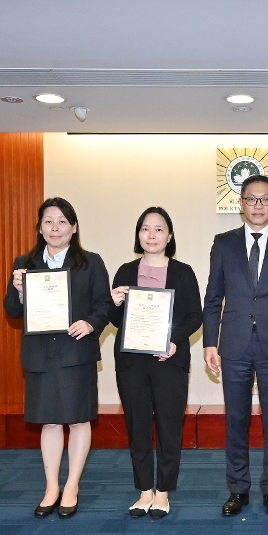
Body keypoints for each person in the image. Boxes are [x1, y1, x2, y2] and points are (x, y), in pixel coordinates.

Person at [203, 174, 268, 518]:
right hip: (233, 345)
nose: (258, 205)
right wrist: (209, 342)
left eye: (265, 199)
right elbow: (213, 297)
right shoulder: (223, 243)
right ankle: (238, 489)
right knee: (236, 420)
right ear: (241, 203)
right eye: (251, 199)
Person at [6, 197, 111, 520]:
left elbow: (105, 304)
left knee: (78, 420)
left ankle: (72, 486)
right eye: (48, 221)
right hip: (40, 355)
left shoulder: (91, 262)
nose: (55, 228)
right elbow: (12, 311)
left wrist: (90, 323)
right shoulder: (24, 264)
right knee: (49, 421)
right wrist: (20, 291)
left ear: (74, 227)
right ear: (39, 227)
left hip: (76, 353)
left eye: (62, 221)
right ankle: (51, 487)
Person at [108, 207, 203, 518]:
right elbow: (115, 319)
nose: (152, 235)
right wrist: (114, 303)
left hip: (169, 359)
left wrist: (173, 341)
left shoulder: (183, 272)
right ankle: (144, 491)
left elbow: (195, 316)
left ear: (169, 235)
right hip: (132, 362)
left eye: (159, 229)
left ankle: (162, 492)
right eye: (145, 229)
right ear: (138, 234)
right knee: (137, 426)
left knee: (168, 426)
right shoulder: (125, 271)